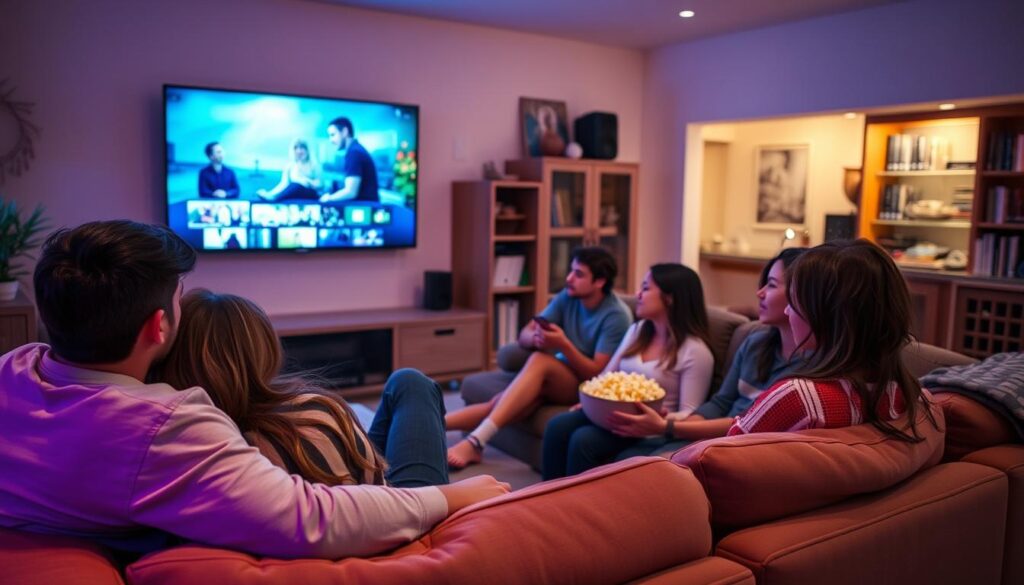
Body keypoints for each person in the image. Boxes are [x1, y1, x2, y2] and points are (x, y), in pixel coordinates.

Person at [0, 220, 508, 559]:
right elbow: (311, 517)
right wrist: (448, 496)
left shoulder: (13, 370)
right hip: (394, 530)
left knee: (403, 389)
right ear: (159, 328)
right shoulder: (163, 426)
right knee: (412, 384)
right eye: (178, 300)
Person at [157, 289, 447, 488]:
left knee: (406, 383)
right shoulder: (314, 411)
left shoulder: (182, 444)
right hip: (403, 519)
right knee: (411, 382)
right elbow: (374, 481)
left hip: (362, 506)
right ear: (264, 350)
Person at [728, 239, 937, 439]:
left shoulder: (798, 397)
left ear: (827, 314)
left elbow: (715, 457)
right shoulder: (916, 401)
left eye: (794, 301)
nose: (787, 310)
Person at [446, 246, 633, 468]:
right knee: (499, 403)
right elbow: (524, 333)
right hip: (560, 376)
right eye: (571, 271)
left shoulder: (616, 316)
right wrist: (535, 339)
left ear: (600, 282)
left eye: (579, 274)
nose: (569, 278)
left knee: (540, 361)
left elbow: (597, 374)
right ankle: (430, 426)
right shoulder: (568, 297)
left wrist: (563, 344)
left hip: (588, 388)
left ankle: (476, 441)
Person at [541, 264, 714, 479]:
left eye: (646, 288)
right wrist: (590, 401)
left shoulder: (695, 352)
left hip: (646, 430)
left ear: (670, 298)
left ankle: (576, 508)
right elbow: (607, 375)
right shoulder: (638, 330)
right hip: (608, 415)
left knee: (583, 440)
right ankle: (546, 499)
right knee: (557, 425)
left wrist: (655, 421)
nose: (637, 294)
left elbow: (690, 413)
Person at [641, 247, 809, 445]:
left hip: (740, 446)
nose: (760, 293)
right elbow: (721, 403)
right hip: (713, 437)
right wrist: (677, 425)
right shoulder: (755, 342)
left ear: (800, 294)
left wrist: (668, 427)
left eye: (771, 285)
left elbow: (748, 423)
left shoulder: (811, 368)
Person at [320, 117, 379, 203]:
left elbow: (351, 192)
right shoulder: (356, 149)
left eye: (333, 135)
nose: (331, 140)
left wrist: (329, 198)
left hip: (365, 210)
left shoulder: (354, 153)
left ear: (344, 132)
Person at [257, 138, 322, 201]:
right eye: (296, 148)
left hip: (309, 193)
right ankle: (273, 197)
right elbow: (283, 184)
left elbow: (320, 184)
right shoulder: (290, 166)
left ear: (307, 150)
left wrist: (306, 181)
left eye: (302, 148)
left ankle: (274, 198)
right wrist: (271, 193)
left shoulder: (314, 165)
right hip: (293, 192)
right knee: (294, 185)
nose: (299, 151)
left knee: (296, 185)